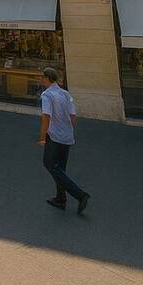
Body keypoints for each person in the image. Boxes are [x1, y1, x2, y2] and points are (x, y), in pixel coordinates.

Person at [38, 67, 91, 214]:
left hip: (54, 136)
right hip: (67, 136)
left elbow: (46, 116)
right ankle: (60, 199)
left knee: (49, 164)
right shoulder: (66, 94)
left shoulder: (47, 95)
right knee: (60, 168)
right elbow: (72, 115)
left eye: (42, 77)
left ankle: (80, 194)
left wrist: (42, 137)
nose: (40, 79)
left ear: (47, 78)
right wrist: (68, 129)